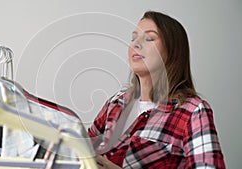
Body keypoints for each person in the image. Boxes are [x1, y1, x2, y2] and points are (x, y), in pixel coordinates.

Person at [88, 11, 225, 169]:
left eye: (149, 38)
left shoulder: (193, 111)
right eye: (133, 39)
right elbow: (82, 153)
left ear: (172, 51)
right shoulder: (116, 102)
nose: (136, 44)